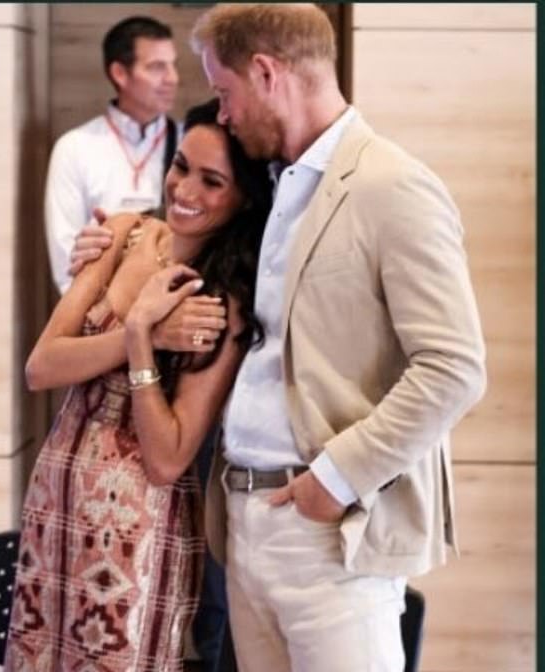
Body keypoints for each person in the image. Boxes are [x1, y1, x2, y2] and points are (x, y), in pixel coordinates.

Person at [187, 4, 487, 672]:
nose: (223, 113)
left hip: (329, 530)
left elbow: (455, 367)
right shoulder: (270, 185)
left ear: (266, 72)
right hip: (242, 517)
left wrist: (339, 476)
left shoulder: (394, 185)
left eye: (224, 91)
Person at [4, 99, 272, 672]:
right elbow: (41, 366)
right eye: (180, 166)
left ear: (243, 197)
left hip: (139, 521)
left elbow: (169, 460)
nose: (185, 189)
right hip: (57, 492)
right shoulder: (124, 233)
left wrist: (143, 341)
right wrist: (138, 332)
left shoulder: (223, 300)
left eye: (212, 181)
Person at [46, 16, 180, 295]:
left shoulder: (189, 143)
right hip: (98, 316)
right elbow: (66, 263)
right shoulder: (75, 147)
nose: (172, 78)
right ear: (120, 73)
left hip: (175, 310)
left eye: (172, 65)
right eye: (157, 67)